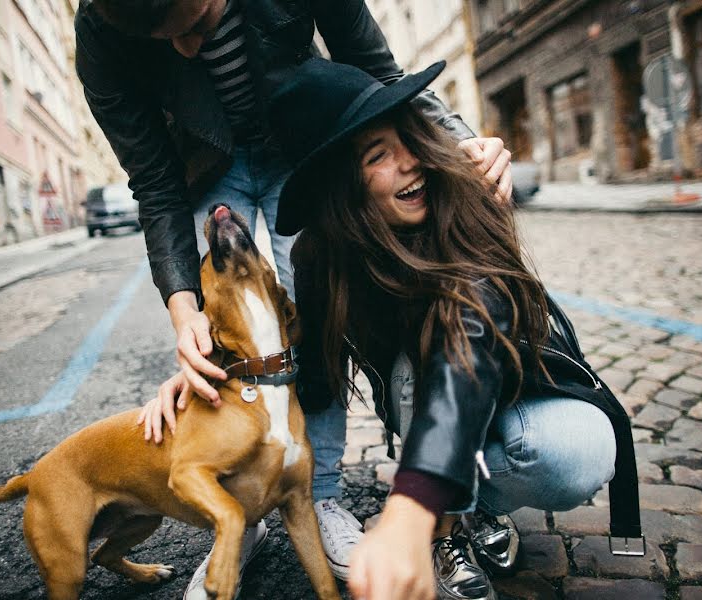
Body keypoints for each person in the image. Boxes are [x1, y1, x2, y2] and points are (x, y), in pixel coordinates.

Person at [76, 0, 516, 595]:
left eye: (198, 26)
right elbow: (154, 183)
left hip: (300, 147)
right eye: (167, 41)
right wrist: (185, 316)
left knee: (315, 313)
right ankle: (239, 509)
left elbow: (380, 72)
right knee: (222, 328)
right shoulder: (104, 33)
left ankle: (322, 494)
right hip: (206, 166)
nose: (187, 50)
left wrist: (461, 142)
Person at [261, 58, 643, 600]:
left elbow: (468, 335)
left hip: (514, 377)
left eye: (406, 139)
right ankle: (449, 522)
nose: (412, 162)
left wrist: (414, 504)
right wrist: (220, 378)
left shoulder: (465, 196)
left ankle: (456, 511)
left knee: (578, 452)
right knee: (413, 365)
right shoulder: (320, 257)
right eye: (379, 156)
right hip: (418, 398)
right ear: (342, 185)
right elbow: (318, 378)